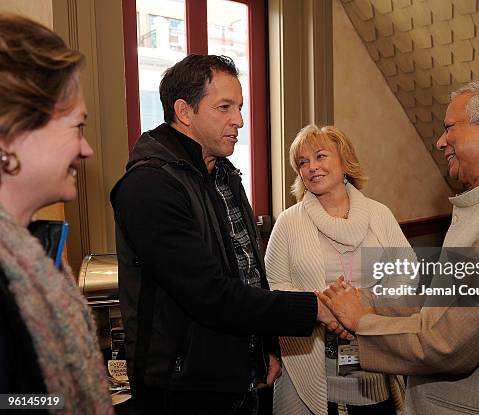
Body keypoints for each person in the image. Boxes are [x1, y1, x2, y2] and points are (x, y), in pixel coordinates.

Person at [317, 76, 479, 414]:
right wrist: (361, 300)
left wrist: (360, 321)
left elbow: (448, 340)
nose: (441, 141)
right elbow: (438, 297)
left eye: (450, 127)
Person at [111, 54, 343, 415]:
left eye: (239, 107)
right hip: (183, 389)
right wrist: (314, 307)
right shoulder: (149, 186)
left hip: (238, 376)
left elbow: (248, 271)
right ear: (185, 112)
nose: (239, 120)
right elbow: (209, 294)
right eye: (224, 107)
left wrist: (265, 346)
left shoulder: (224, 175)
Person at [0, 13, 112, 414]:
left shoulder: (31, 252)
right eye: (77, 127)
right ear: (14, 132)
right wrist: (61, 402)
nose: (87, 150)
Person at [265, 125, 409, 415]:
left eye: (320, 156)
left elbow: (406, 275)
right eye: (303, 162)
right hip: (309, 364)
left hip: (373, 370)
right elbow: (273, 287)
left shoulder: (379, 215)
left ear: (345, 162)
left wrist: (360, 306)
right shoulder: (289, 222)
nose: (311, 167)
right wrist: (324, 309)